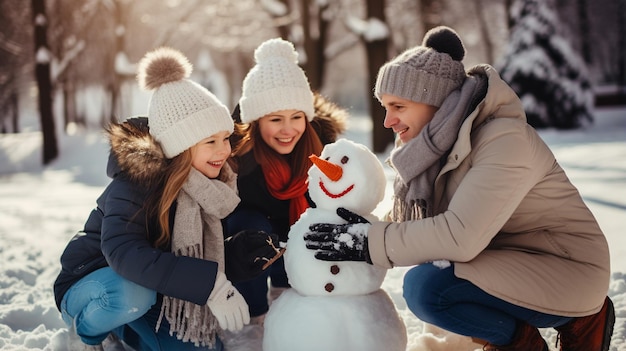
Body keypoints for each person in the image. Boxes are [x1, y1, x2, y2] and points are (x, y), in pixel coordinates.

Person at [304, 26, 614, 351]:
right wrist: (356, 227)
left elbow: (459, 237)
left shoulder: (504, 139)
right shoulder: (433, 149)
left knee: (428, 287)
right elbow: (411, 227)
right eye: (385, 107)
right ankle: (520, 342)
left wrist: (369, 242)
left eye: (398, 106)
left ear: (434, 100)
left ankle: (580, 320)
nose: (387, 121)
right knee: (430, 279)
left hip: (567, 268)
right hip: (509, 259)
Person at [53, 47, 281, 351]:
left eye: (225, 138)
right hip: (94, 285)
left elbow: (185, 253)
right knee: (132, 295)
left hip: (149, 286)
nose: (224, 150)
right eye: (210, 142)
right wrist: (210, 284)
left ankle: (127, 331)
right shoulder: (136, 182)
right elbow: (124, 252)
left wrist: (234, 258)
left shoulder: (209, 186)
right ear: (181, 147)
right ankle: (86, 336)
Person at [224, 37, 347, 323]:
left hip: (298, 245)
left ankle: (292, 302)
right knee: (248, 226)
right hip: (253, 248)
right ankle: (252, 318)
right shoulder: (235, 156)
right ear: (255, 121)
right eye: (275, 119)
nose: (288, 130)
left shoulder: (324, 149)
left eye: (296, 117)